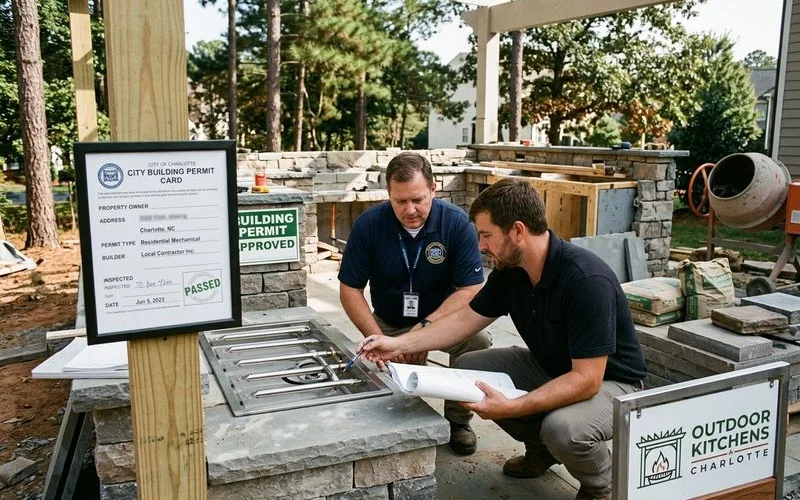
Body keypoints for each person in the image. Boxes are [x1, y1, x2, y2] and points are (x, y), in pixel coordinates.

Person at [358, 178, 647, 500]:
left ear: (518, 231)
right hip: (553, 367)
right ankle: (541, 451)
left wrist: (513, 406)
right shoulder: (511, 271)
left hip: (612, 383)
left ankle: (601, 486)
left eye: (486, 235)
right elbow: (463, 321)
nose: (481, 245)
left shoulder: (585, 280)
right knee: (470, 367)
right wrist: (398, 343)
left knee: (564, 429)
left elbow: (587, 380)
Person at [338, 152, 491, 455]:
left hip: (443, 321)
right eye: (400, 201)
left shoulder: (457, 224)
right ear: (389, 195)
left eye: (418, 199)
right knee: (369, 367)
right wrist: (375, 339)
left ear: (434, 189)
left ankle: (458, 421)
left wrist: (421, 334)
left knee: (477, 341)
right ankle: (395, 422)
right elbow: (349, 289)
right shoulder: (369, 225)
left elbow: (471, 288)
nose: (409, 210)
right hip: (388, 321)